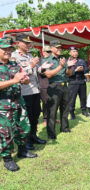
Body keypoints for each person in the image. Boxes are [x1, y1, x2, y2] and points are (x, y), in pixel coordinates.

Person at [0, 37, 37, 172]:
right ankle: (8, 158)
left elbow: (23, 80)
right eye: (4, 49)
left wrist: (24, 80)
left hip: (18, 101)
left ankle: (22, 150)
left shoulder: (14, 64)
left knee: (24, 127)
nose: (8, 51)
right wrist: (14, 81)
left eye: (9, 48)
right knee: (6, 133)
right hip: (3, 105)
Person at [12, 33, 46, 150]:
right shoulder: (14, 57)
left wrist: (42, 67)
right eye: (25, 43)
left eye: (29, 43)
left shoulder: (30, 55)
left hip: (35, 90)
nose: (28, 45)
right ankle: (26, 141)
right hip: (24, 91)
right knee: (26, 117)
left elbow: (35, 71)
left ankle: (33, 136)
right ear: (18, 43)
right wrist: (31, 66)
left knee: (35, 115)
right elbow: (17, 74)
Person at [43, 40, 75, 139]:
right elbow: (48, 74)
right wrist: (60, 66)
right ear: (51, 48)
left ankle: (64, 127)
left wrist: (69, 67)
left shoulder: (63, 59)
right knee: (52, 111)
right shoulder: (47, 60)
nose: (59, 49)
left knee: (65, 109)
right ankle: (51, 133)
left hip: (64, 85)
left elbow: (69, 74)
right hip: (53, 86)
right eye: (57, 47)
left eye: (60, 47)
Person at [68, 47, 89, 119]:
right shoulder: (67, 62)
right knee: (72, 98)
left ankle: (84, 110)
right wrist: (76, 70)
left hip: (82, 82)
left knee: (83, 97)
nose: (75, 53)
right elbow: (67, 74)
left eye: (76, 51)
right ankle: (72, 112)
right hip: (73, 82)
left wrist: (83, 69)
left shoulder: (81, 61)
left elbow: (87, 69)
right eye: (73, 51)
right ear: (70, 53)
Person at [38, 46, 51, 126]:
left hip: (52, 83)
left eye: (50, 51)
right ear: (43, 52)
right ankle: (45, 118)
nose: (49, 53)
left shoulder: (52, 60)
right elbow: (40, 72)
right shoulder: (40, 61)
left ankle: (52, 117)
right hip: (43, 84)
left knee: (53, 102)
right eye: (48, 51)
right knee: (45, 102)